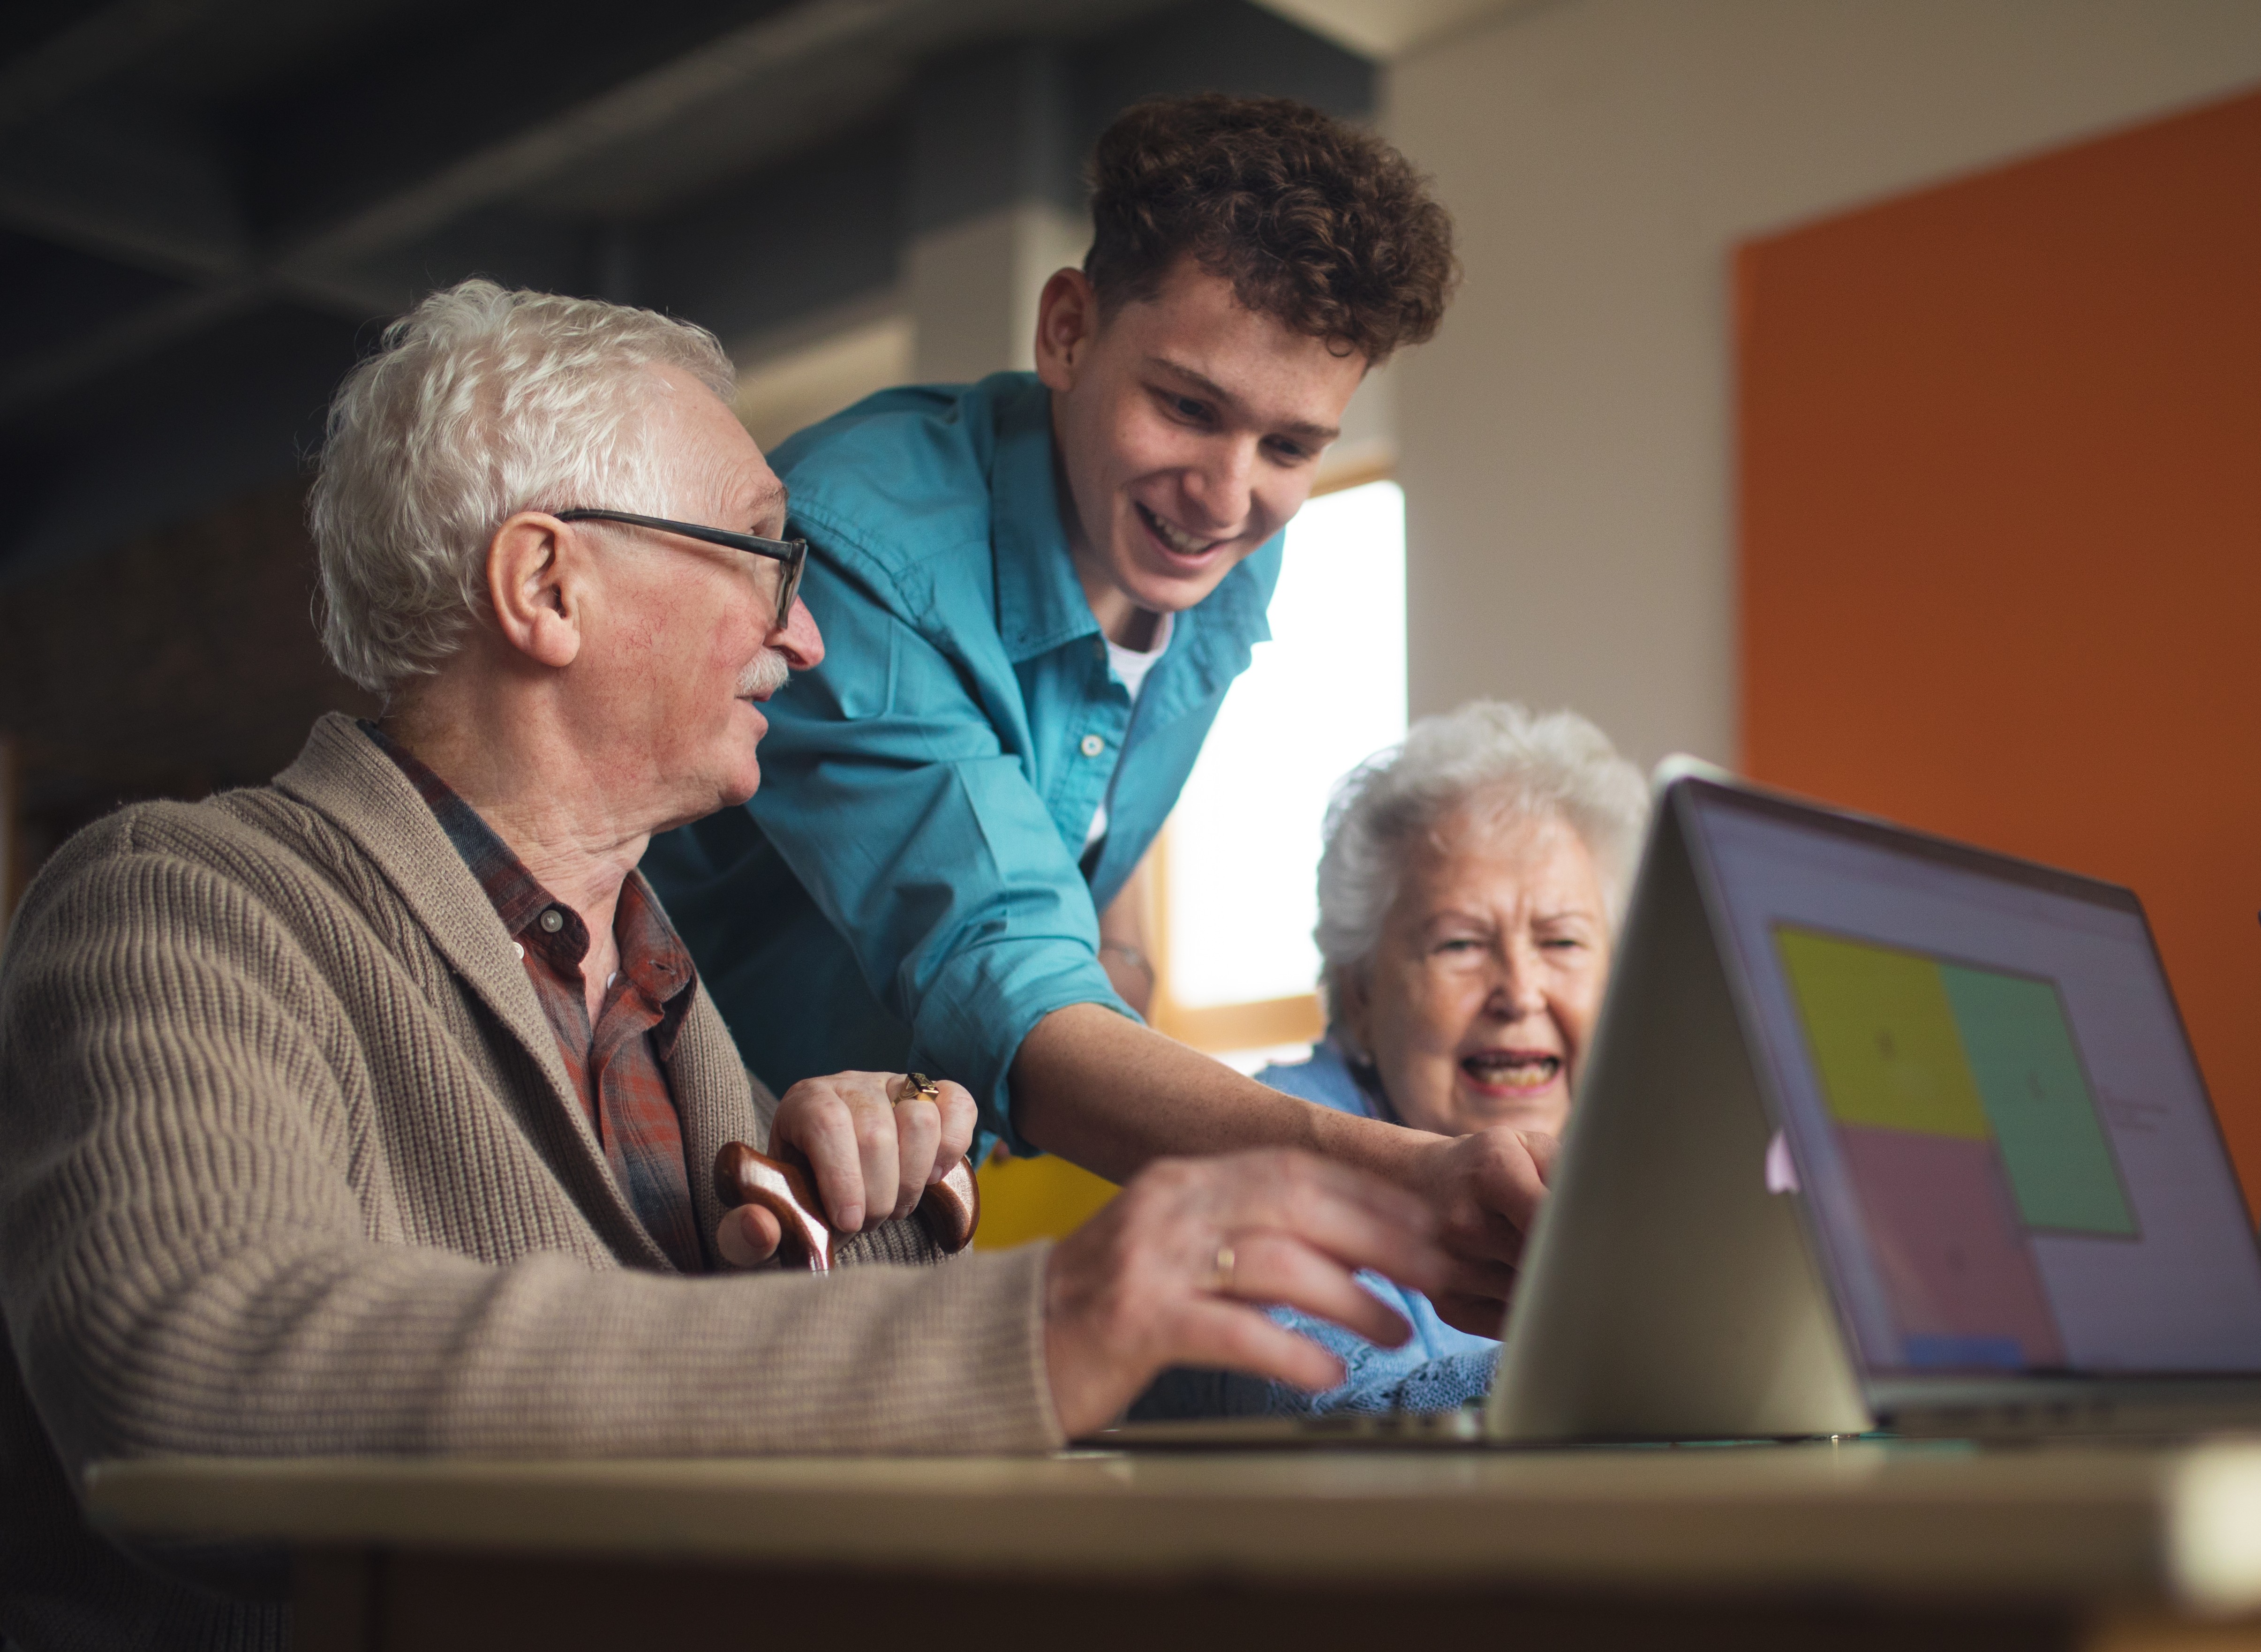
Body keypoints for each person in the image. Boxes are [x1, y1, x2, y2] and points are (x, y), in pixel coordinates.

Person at [0, 281, 1452, 1652]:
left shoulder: (671, 1003)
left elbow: (708, 1418)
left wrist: (864, 1212)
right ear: (549, 587)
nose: (804, 633)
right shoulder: (185, 902)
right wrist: (1029, 1323)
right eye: (763, 556)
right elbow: (192, 1370)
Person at [645, 94, 1546, 1332]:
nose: (1226, 496)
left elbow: (1079, 759)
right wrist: (1388, 1176)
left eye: (1290, 444)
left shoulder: (1216, 543)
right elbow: (1003, 975)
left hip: (892, 1189)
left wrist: (1110, 939)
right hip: (673, 1177)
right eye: (1185, 406)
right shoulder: (857, 549)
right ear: (1065, 330)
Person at [1137, 703, 1649, 1418]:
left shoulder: (1642, 1164)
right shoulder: (1269, 1149)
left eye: (1561, 943)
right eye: (1459, 945)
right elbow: (1347, 1415)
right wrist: (1659, 1357)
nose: (1520, 993)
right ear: (1362, 994)